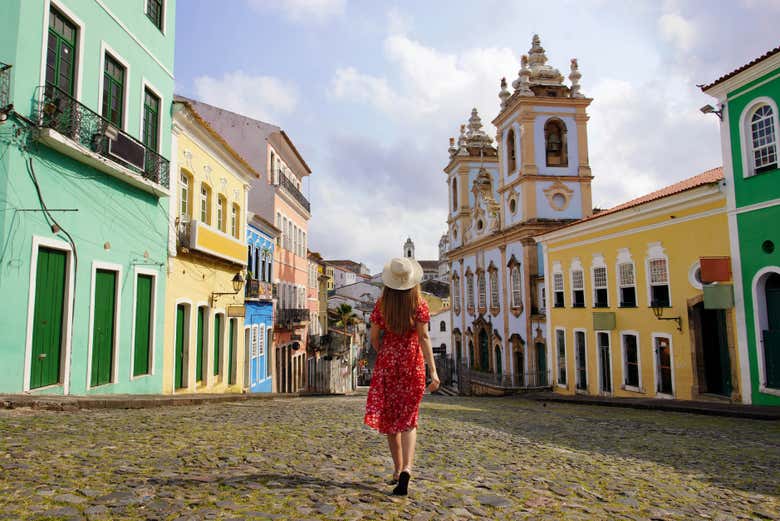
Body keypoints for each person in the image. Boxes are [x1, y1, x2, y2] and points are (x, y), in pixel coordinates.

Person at [364, 257, 440, 496]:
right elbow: (424, 338)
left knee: (390, 420)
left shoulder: (381, 305)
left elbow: (374, 337)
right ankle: (407, 467)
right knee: (409, 418)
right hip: (412, 363)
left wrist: (386, 353)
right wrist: (433, 371)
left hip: (388, 363)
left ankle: (397, 470)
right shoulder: (420, 304)